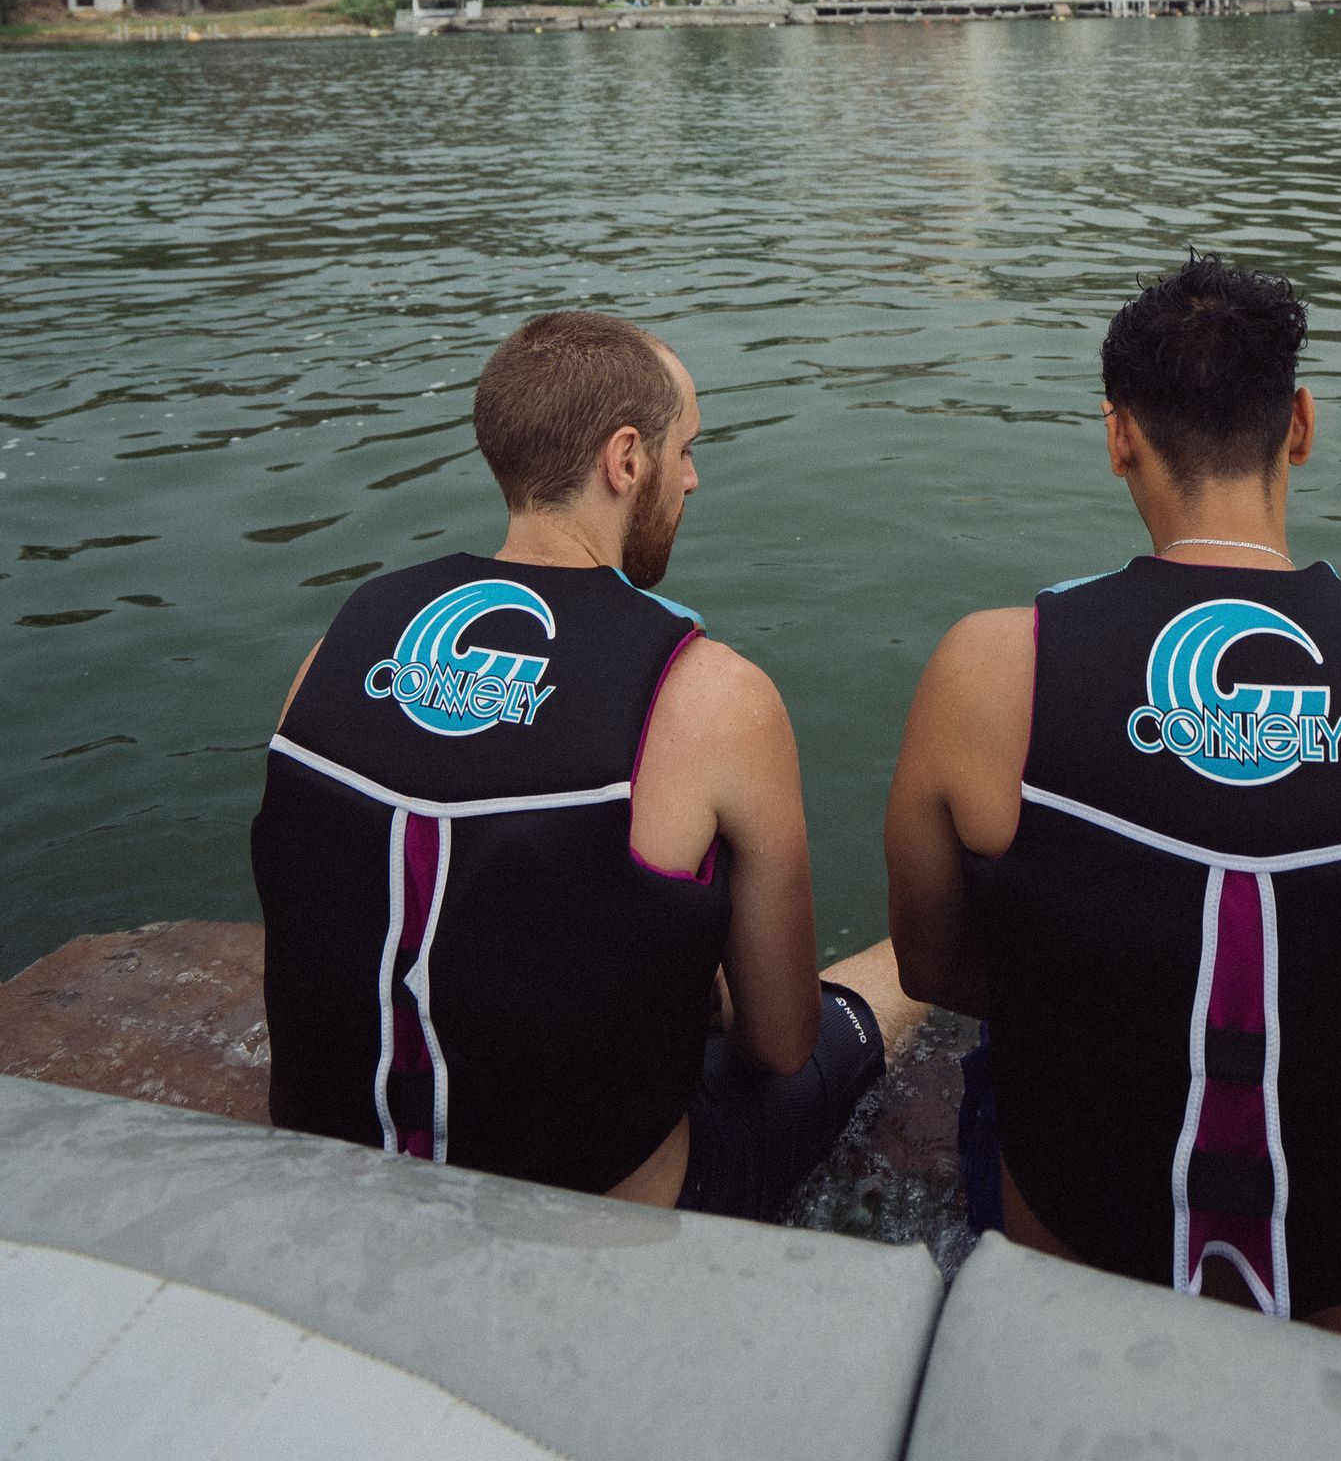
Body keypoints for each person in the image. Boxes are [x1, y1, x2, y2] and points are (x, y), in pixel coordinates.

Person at [885, 256, 1341, 1351]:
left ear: (1118, 438)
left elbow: (931, 968)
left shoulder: (988, 674)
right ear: (1300, 424)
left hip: (1062, 1255)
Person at [253, 309, 920, 1214]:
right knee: (862, 1008)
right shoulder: (710, 694)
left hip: (335, 1172)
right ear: (625, 459)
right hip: (595, 1226)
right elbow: (777, 1043)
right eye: (685, 449)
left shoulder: (340, 641)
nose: (694, 478)